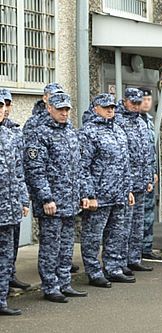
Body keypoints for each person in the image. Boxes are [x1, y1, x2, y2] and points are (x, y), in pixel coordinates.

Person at [24, 93, 87, 303]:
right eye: (60, 109)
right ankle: (50, 286)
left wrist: (82, 194)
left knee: (67, 245)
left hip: (70, 201)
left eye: (67, 109)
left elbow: (78, 167)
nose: (64, 113)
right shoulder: (39, 134)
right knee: (51, 246)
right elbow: (35, 169)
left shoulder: (70, 132)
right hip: (52, 202)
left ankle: (64, 283)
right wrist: (45, 197)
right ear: (48, 108)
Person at [79, 93, 137, 287]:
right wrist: (89, 194)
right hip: (99, 195)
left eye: (112, 107)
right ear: (95, 108)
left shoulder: (118, 131)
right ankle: (94, 271)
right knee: (93, 237)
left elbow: (125, 163)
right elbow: (82, 166)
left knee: (116, 234)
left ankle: (113, 268)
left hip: (118, 193)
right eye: (106, 107)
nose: (110, 110)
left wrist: (128, 189)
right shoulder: (88, 132)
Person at [115, 88, 154, 274]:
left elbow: (147, 153)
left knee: (138, 224)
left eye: (139, 103)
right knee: (124, 225)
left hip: (140, 181)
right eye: (133, 103)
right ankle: (120, 261)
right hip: (125, 183)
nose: (137, 107)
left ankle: (134, 258)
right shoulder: (118, 121)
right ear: (125, 102)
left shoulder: (141, 122)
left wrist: (148, 177)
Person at [0, 95, 29, 316]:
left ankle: (1, 301)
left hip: (8, 210)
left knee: (5, 257)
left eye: (3, 106)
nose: (2, 110)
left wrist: (22, 199)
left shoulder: (10, 136)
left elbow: (19, 173)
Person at [138, 87, 161, 261]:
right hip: (137, 177)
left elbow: (151, 151)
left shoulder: (149, 121)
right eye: (143, 99)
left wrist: (153, 171)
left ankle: (146, 246)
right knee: (137, 216)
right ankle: (136, 250)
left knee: (148, 213)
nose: (147, 102)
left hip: (148, 175)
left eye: (148, 99)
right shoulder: (134, 122)